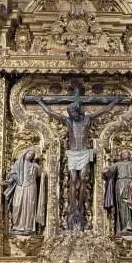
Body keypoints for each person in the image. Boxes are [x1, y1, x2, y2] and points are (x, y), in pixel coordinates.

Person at [36, 94, 120, 230]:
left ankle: (80, 205)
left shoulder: (87, 119)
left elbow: (104, 110)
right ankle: (73, 207)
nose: (72, 115)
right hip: (73, 154)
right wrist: (40, 102)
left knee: (83, 179)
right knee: (73, 179)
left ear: (78, 111)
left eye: (74, 113)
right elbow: (50, 112)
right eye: (70, 114)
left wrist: (115, 101)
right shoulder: (68, 121)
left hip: (84, 153)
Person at [4, 147, 47, 234]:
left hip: (31, 187)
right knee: (17, 205)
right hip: (20, 186)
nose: (30, 156)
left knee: (29, 207)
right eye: (29, 153)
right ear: (25, 153)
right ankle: (16, 226)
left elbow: (41, 176)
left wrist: (38, 168)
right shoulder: (19, 163)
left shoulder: (34, 165)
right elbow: (13, 174)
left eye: (32, 155)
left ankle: (28, 227)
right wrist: (9, 181)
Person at [103, 150, 132, 235]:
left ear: (129, 155)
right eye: (122, 153)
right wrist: (107, 170)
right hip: (120, 185)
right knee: (122, 206)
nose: (123, 154)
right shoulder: (117, 164)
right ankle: (123, 227)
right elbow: (111, 170)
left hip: (131, 186)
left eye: (125, 153)